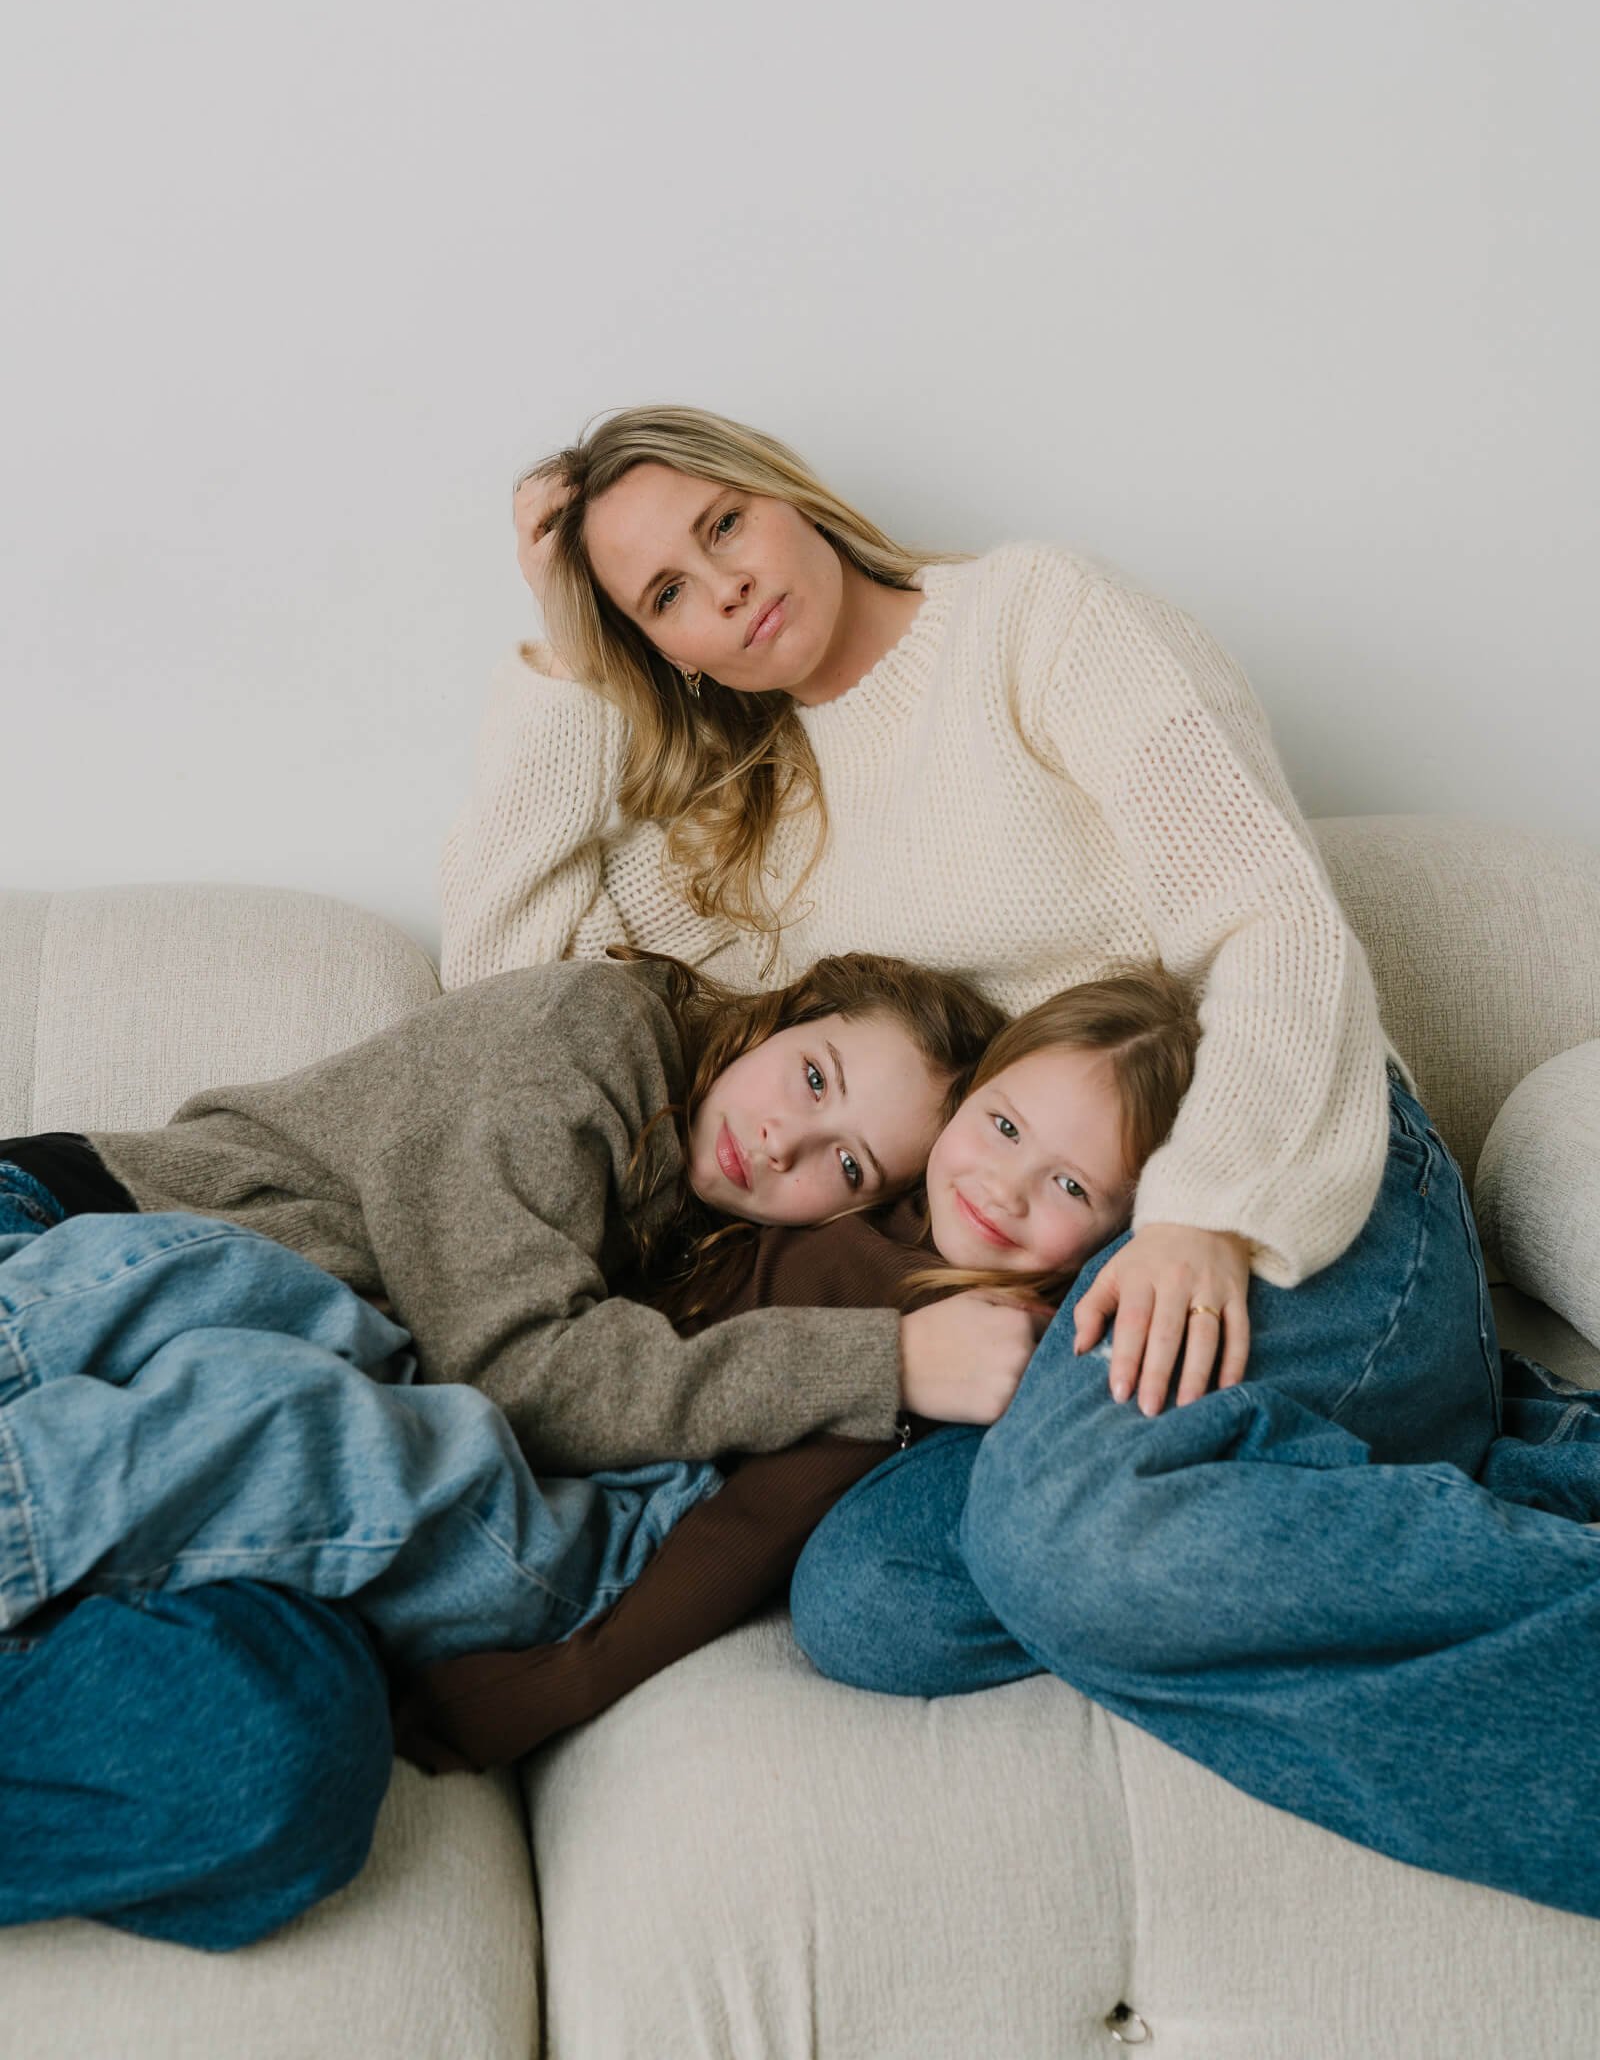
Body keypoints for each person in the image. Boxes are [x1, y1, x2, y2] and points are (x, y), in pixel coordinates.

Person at [438, 404, 1600, 1916]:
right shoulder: (736, 833)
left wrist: (1208, 1218)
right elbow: (513, 1000)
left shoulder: (1036, 620)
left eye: (720, 525)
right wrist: (568, 666)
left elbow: (1272, 919)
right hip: (1067, 1274)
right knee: (873, 1605)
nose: (717, 586)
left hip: (1299, 1179)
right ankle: (1482, 1470)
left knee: (1073, 1535)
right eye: (660, 596)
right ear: (668, 654)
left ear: (787, 494)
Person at [0, 944, 1020, 1947]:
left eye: (846, 1162)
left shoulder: (697, 1240)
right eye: (812, 1076)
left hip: (222, 1462)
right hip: (79, 1268)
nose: (785, 1139)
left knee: (288, 1756)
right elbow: (514, 1370)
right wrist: (875, 1363)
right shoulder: (591, 1028)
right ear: (787, 1011)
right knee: (316, 1417)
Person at [397, 965, 1200, 1767]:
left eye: (1069, 1185)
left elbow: (753, 1526)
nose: (1004, 1188)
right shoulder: (607, 1043)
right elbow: (523, 1372)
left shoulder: (955, 1319)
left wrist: (560, 1685)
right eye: (1003, 1127)